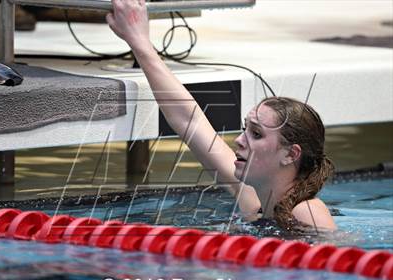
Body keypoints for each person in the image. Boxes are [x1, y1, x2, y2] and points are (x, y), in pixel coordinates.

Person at [106, 0, 337, 230]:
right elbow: (189, 120)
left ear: (290, 154)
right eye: (245, 128)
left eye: (256, 134)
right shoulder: (255, 201)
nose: (239, 139)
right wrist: (140, 43)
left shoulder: (307, 212)